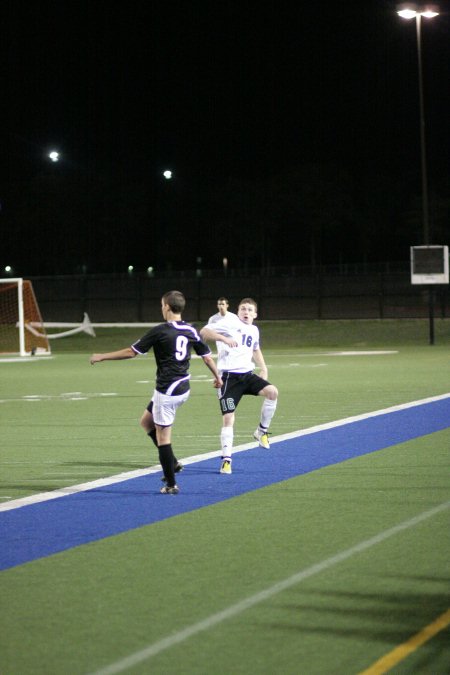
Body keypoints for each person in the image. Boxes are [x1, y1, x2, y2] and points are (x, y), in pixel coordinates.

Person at [90, 290, 222, 494]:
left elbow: (131, 352)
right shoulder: (191, 330)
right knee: (145, 422)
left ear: (167, 307)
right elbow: (206, 357)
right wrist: (218, 377)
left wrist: (102, 356)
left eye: (162, 305)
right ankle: (173, 463)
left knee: (163, 438)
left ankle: (171, 484)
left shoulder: (160, 331)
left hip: (167, 391)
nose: (161, 308)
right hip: (183, 387)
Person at [200, 297, 278, 475]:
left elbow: (255, 349)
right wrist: (222, 338)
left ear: (255, 314)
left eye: (250, 310)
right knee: (229, 418)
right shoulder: (230, 322)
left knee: (272, 392)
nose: (246, 312)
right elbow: (203, 333)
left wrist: (263, 368)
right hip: (228, 379)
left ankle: (261, 432)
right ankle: (226, 460)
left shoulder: (254, 330)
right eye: (243, 309)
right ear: (238, 311)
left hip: (247, 376)